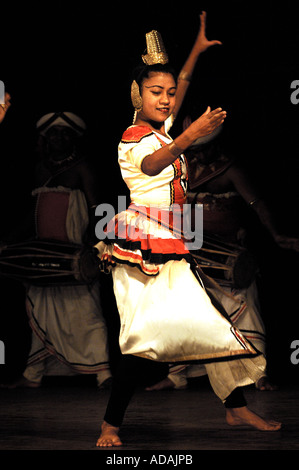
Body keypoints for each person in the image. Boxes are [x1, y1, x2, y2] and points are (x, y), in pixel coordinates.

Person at [95, 13, 281, 447]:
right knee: (143, 340)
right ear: (136, 95)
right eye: (155, 92)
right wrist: (188, 135)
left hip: (169, 239)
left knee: (207, 323)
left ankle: (236, 410)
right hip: (141, 242)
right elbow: (150, 167)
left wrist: (195, 52)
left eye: (170, 94)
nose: (166, 99)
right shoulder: (134, 137)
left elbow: (181, 86)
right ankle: (109, 426)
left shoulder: (163, 132)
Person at [146, 120, 299, 393]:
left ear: (216, 145)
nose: (200, 155)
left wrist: (276, 234)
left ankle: (256, 374)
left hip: (227, 252)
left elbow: (258, 205)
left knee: (246, 312)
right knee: (183, 313)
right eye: (195, 149)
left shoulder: (231, 170)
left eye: (205, 149)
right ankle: (178, 375)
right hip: (190, 253)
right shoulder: (181, 168)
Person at [2, 111, 112, 389]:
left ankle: (103, 373)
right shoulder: (41, 168)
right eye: (53, 133)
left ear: (74, 138)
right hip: (45, 254)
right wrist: (11, 239)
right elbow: (34, 211)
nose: (59, 137)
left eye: (65, 133)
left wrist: (97, 242)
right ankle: (33, 373)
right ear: (46, 138)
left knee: (86, 312)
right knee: (43, 311)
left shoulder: (83, 167)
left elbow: (96, 207)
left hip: (74, 251)